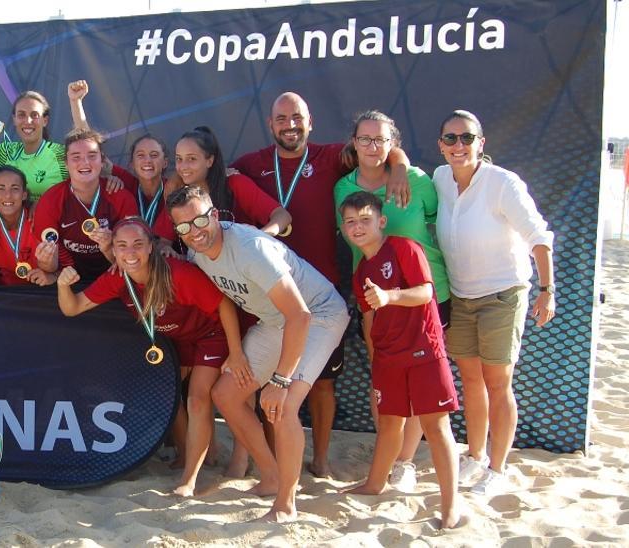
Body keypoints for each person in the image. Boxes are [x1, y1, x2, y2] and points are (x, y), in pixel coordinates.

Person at [230, 92, 411, 478]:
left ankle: (322, 458)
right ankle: (274, 456)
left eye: (297, 117)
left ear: (310, 122)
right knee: (268, 382)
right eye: (281, 119)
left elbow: (378, 150)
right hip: (269, 295)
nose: (289, 125)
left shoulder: (331, 157)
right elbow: (211, 174)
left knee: (322, 384)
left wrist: (399, 166)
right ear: (270, 124)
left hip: (323, 295)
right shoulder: (251, 165)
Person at [167, 186, 349, 522]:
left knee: (283, 404)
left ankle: (285, 505)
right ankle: (270, 475)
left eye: (200, 220)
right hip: (274, 321)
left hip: (318, 313)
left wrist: (280, 379)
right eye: (184, 227)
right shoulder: (197, 256)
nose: (195, 232)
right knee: (226, 394)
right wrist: (234, 353)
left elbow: (301, 316)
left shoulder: (250, 248)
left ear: (215, 215)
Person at [56, 218, 243, 497]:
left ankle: (189, 480)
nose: (130, 253)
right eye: (122, 246)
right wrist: (62, 285)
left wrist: (237, 353)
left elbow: (224, 305)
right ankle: (188, 454)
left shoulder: (177, 273)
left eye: (137, 245)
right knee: (168, 392)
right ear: (114, 251)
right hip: (176, 340)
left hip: (210, 333)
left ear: (152, 247)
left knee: (197, 397)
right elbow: (72, 309)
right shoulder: (117, 277)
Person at [433, 110, 555, 497]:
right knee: (470, 380)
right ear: (440, 145)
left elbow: (539, 236)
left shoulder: (503, 183)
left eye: (466, 138)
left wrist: (547, 289)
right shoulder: (438, 179)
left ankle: (498, 468)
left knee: (498, 383)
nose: (458, 146)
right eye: (450, 139)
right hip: (462, 296)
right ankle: (476, 455)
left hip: (503, 294)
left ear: (481, 143)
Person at [333, 110, 451, 489]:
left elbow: (440, 220)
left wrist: (400, 167)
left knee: (420, 387)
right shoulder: (343, 188)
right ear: (353, 143)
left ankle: (404, 463)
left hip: (425, 297)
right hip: (372, 297)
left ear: (393, 144)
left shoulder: (417, 180)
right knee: (383, 378)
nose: (372, 147)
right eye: (364, 139)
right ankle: (386, 462)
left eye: (380, 140)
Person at [338, 190, 462, 529]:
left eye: (364, 219)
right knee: (390, 424)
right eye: (350, 222)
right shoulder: (362, 268)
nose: (358, 227)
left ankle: (451, 507)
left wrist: (389, 296)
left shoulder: (405, 248)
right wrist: (375, 357)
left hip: (424, 350)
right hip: (388, 357)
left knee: (436, 428)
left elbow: (425, 292)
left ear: (381, 221)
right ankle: (375, 484)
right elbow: (368, 318)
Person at [33, 129, 138, 280]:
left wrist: (109, 247)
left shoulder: (122, 198)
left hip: (116, 275)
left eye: (92, 156)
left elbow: (132, 260)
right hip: (70, 278)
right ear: (66, 163)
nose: (85, 162)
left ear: (102, 161)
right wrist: (46, 261)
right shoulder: (51, 201)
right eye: (76, 157)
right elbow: (50, 267)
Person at [155, 127, 291, 242]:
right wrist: (168, 249)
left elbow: (282, 216)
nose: (183, 166)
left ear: (209, 161)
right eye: (179, 159)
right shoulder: (179, 192)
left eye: (192, 159)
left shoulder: (234, 183)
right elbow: (163, 241)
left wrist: (257, 239)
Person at [0, 84, 80, 201]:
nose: (28, 121)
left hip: (52, 222)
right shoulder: (6, 152)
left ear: (45, 120)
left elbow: (86, 149)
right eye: (21, 115)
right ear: (14, 120)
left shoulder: (60, 154)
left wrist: (75, 102)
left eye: (34, 115)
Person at [0, 166, 63, 286]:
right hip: (0, 295)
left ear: (24, 195)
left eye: (15, 188)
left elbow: (67, 267)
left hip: (37, 292)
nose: (8, 195)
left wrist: (51, 274)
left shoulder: (40, 218)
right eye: (1, 189)